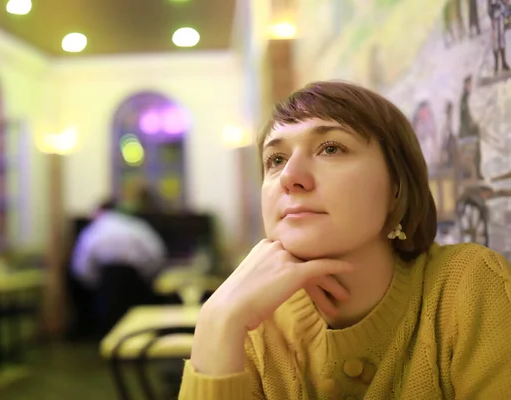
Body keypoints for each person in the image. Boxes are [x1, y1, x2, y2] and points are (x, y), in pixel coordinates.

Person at [179, 81, 511, 399]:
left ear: (397, 184)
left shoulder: (469, 284)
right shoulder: (252, 322)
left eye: (331, 148)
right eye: (276, 160)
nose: (291, 178)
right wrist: (215, 322)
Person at [71, 198, 166, 289]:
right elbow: (158, 255)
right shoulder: (138, 227)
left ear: (99, 212)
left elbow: (81, 269)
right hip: (138, 289)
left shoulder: (91, 232)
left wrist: (97, 284)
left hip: (104, 294)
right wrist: (145, 277)